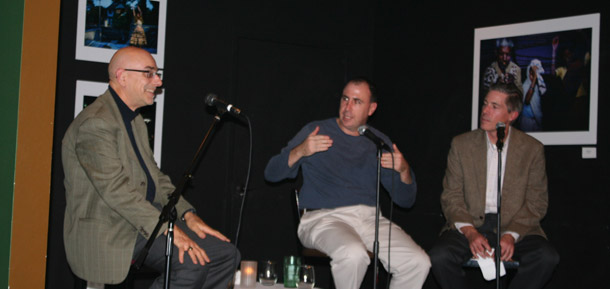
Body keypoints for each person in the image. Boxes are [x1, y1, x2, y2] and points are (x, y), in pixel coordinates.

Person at [62, 47, 239, 288]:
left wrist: (188, 215)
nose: (158, 81)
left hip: (141, 220)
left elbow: (155, 178)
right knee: (192, 263)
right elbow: (117, 192)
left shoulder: (135, 121)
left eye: (157, 73)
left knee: (225, 255)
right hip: (113, 228)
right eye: (149, 73)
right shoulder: (96, 123)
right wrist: (170, 231)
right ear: (122, 77)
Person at [264, 77, 430, 289]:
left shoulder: (378, 142)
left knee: (418, 262)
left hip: (370, 220)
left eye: (357, 102)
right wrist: (301, 151)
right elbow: (271, 173)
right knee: (353, 255)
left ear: (371, 108)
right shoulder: (315, 131)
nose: (348, 107)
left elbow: (406, 201)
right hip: (324, 218)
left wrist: (404, 170)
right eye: (345, 99)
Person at [428, 82, 559, 289]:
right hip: (470, 222)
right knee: (440, 256)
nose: (485, 111)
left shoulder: (531, 150)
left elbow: (537, 202)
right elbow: (451, 197)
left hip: (514, 225)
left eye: (494, 106)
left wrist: (511, 235)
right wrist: (470, 232)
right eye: (485, 104)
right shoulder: (461, 145)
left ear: (512, 115)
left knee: (546, 257)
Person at [519, 59, 546, 131]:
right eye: (531, 74)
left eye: (534, 74)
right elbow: (527, 101)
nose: (533, 76)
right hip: (526, 121)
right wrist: (534, 79)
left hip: (537, 120)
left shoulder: (540, 86)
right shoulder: (525, 85)